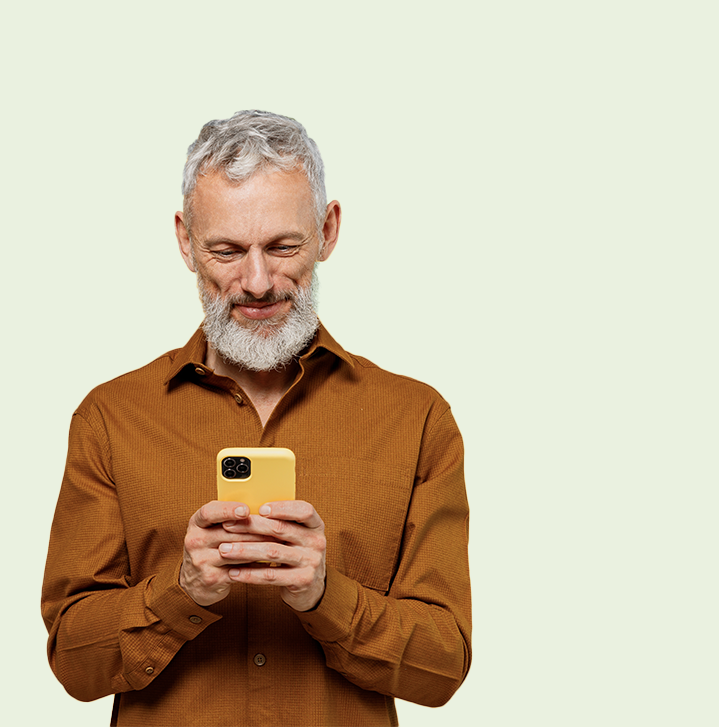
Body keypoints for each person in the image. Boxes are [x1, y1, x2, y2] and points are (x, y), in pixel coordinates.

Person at [40, 110, 471, 726]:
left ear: (327, 230)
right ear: (186, 243)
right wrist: (180, 592)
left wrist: (327, 596)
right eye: (227, 250)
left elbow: (443, 666)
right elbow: (73, 662)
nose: (258, 281)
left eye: (283, 246)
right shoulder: (110, 418)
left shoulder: (417, 419)